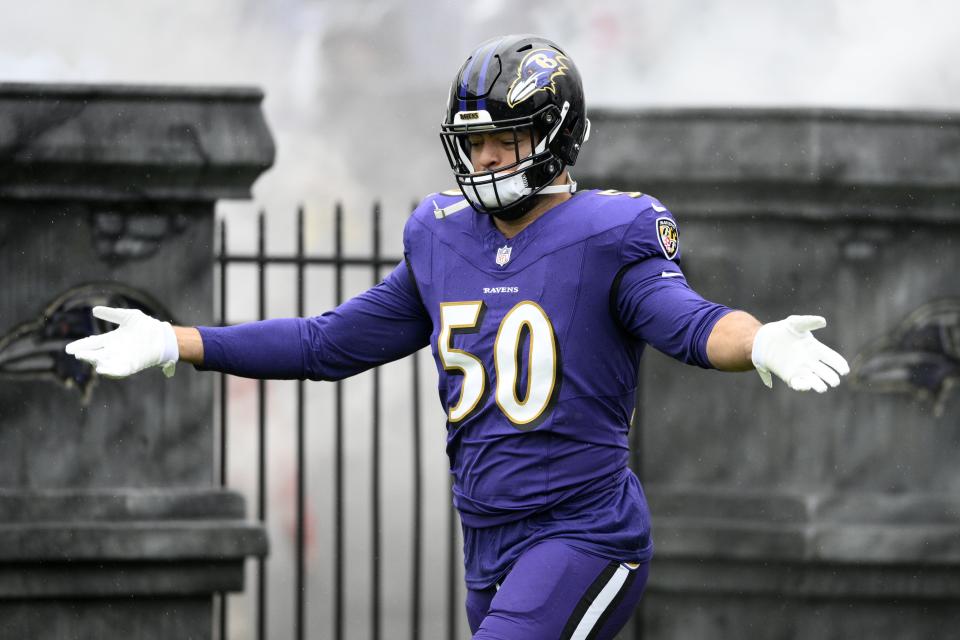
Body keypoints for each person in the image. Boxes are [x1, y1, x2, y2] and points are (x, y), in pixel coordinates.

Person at [65, 34, 849, 640]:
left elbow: (691, 322)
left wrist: (761, 343)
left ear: (555, 136)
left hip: (585, 531)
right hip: (487, 539)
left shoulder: (612, 232)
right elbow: (326, 344)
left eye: (502, 139)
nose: (484, 158)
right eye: (473, 142)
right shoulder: (444, 238)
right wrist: (180, 341)